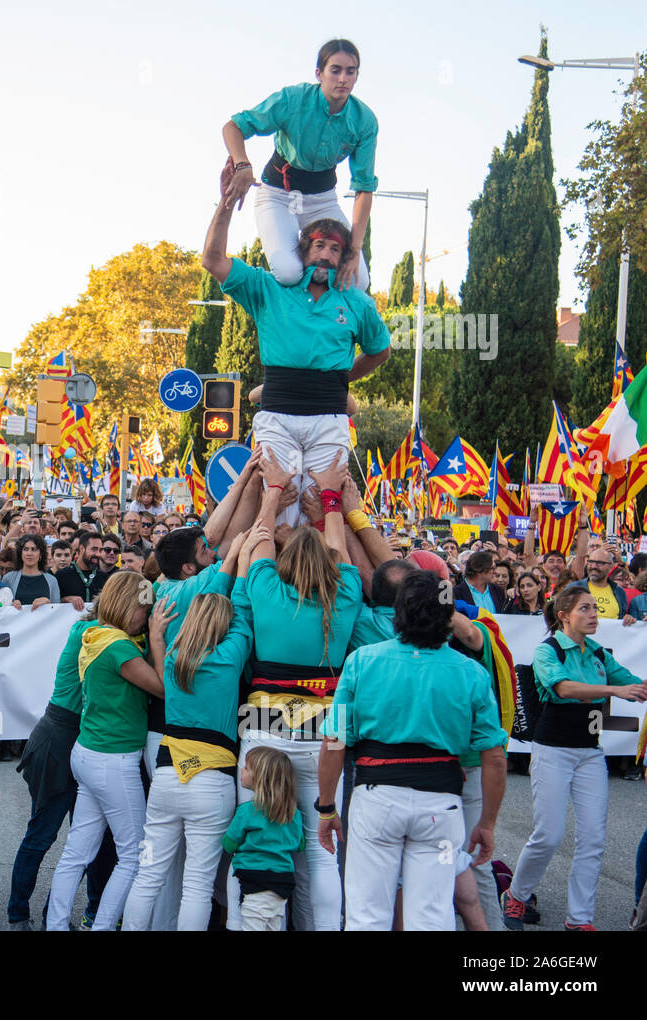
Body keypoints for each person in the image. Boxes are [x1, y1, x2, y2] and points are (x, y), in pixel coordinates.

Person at [317, 571, 509, 930]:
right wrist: (487, 823)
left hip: (376, 801)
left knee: (367, 915)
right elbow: (494, 756)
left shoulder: (362, 661)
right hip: (441, 808)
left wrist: (327, 807)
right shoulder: (470, 673)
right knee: (432, 915)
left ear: (397, 614)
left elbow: (334, 742)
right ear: (448, 616)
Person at [201, 160, 389, 527]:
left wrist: (345, 378)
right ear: (302, 250)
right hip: (277, 415)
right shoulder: (269, 287)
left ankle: (322, 582)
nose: (326, 255)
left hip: (330, 415)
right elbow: (212, 260)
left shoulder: (356, 301)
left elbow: (380, 350)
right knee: (279, 508)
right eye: (318, 246)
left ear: (344, 258)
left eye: (336, 250)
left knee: (324, 509)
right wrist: (225, 204)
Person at [228, 449, 363, 931]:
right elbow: (341, 552)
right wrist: (330, 500)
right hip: (327, 728)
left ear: (285, 565)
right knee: (321, 848)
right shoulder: (346, 594)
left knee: (253, 840)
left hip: (264, 724)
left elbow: (260, 536)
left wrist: (273, 491)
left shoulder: (265, 589)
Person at [122, 524, 265, 931]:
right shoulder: (231, 652)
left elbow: (164, 675)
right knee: (198, 886)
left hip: (167, 775)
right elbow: (239, 606)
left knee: (148, 875)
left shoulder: (173, 657)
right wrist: (241, 556)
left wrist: (156, 636)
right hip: (212, 779)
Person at [501, 586, 647, 931]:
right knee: (548, 835)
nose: (594, 614)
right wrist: (614, 690)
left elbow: (634, 684)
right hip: (552, 751)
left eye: (595, 607)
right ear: (564, 615)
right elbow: (564, 688)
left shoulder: (596, 652)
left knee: (594, 839)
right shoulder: (547, 650)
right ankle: (516, 896)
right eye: (585, 608)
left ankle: (578, 919)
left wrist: (632, 687)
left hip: (590, 754)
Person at [44, 572, 175, 931]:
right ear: (126, 606)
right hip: (113, 760)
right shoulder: (118, 646)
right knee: (132, 855)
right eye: (142, 609)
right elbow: (163, 688)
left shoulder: (94, 633)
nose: (145, 617)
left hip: (89, 752)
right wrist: (158, 637)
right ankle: (101, 926)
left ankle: (56, 925)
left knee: (76, 853)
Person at [222, 39, 376, 291]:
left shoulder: (364, 121)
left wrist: (353, 250)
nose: (343, 79)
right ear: (319, 73)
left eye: (351, 71)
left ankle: (326, 322)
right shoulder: (293, 100)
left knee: (357, 280)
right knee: (288, 272)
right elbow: (234, 126)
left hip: (322, 201)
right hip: (278, 195)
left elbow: (364, 189)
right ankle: (279, 308)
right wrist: (242, 165)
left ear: (357, 76)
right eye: (335, 70)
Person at [9, 607, 118, 930]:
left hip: (85, 740)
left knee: (86, 842)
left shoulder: (111, 634)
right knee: (42, 835)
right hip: (58, 738)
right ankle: (18, 915)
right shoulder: (87, 632)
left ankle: (53, 916)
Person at [221, 746, 307, 931]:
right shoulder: (294, 814)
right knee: (272, 925)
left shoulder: (247, 811)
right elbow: (299, 845)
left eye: (247, 768)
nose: (242, 770)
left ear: (260, 778)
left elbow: (229, 844)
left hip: (255, 879)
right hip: (283, 881)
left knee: (253, 924)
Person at [566, 547, 628, 620]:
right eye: (591, 562)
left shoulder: (619, 592)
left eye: (599, 563)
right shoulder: (573, 588)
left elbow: (622, 619)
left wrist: (627, 619)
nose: (594, 566)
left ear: (611, 567)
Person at [3, 535, 61, 608]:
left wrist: (48, 603)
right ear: (20, 553)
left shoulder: (52, 581)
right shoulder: (8, 579)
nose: (29, 553)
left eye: (34, 549)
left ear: (40, 555)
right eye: (26, 549)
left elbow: (58, 611)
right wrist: (10, 604)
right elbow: (2, 607)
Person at [56, 529, 107, 610]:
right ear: (82, 548)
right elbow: (52, 604)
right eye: (94, 549)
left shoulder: (104, 578)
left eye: (100, 550)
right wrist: (66, 599)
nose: (98, 554)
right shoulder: (62, 575)